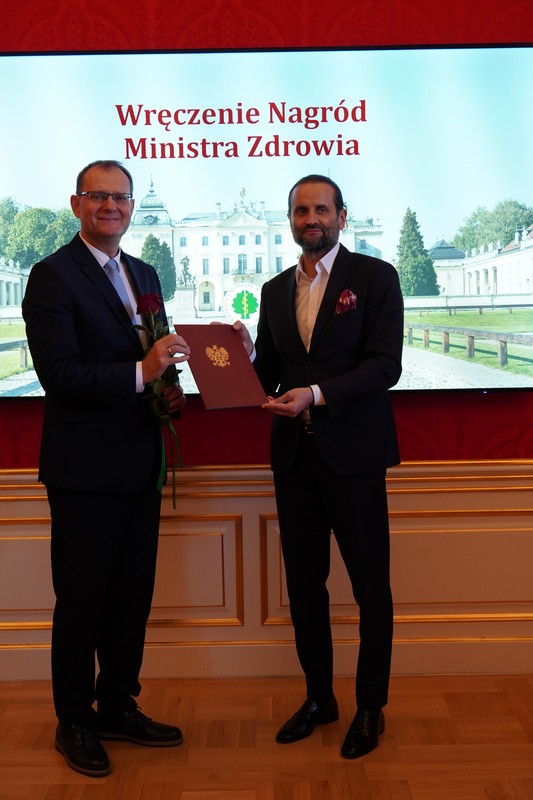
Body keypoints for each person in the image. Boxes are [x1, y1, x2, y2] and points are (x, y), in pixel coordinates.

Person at [22, 160, 191, 778]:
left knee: (130, 599)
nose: (112, 206)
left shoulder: (143, 273)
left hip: (140, 464)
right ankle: (74, 720)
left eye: (121, 198)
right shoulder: (51, 276)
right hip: (84, 471)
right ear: (77, 204)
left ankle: (119, 704)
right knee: (82, 602)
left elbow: (155, 353)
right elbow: (59, 375)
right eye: (99, 196)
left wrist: (169, 383)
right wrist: (142, 372)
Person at [235, 174, 403, 759]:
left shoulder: (375, 277)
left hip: (355, 458)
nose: (312, 219)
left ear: (341, 216)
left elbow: (385, 366)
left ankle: (370, 708)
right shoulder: (274, 289)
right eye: (301, 211)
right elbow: (270, 373)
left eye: (322, 210)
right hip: (295, 459)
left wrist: (317, 394)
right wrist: (242, 357)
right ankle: (319, 698)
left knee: (370, 589)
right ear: (290, 220)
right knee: (305, 588)